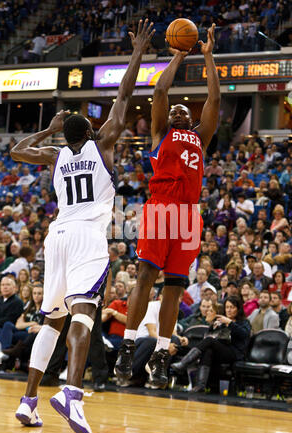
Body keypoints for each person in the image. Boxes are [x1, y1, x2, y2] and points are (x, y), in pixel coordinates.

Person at [11, 19, 155, 433]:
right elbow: (124, 95)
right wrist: (137, 52)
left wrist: (51, 130)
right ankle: (72, 393)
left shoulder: (54, 156)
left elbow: (18, 151)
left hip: (56, 238)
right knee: (84, 314)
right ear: (91, 131)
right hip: (87, 237)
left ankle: (29, 400)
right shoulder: (102, 143)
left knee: (52, 321)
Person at [114, 23, 220, 390]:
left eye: (181, 111)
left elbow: (214, 102)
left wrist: (207, 57)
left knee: (174, 286)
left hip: (190, 215)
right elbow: (160, 89)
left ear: (189, 120)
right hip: (160, 208)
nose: (175, 111)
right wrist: (178, 53)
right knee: (146, 277)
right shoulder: (162, 133)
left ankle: (161, 353)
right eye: (172, 110)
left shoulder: (199, 138)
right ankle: (128, 346)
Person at [171, 296, 251, 392]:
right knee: (208, 350)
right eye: (227, 307)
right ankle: (200, 385)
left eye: (232, 307)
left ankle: (183, 363)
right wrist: (214, 328)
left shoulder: (244, 322)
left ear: (238, 309)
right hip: (222, 351)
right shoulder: (221, 322)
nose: (229, 310)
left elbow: (244, 335)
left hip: (235, 353)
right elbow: (216, 340)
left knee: (209, 341)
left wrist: (230, 323)